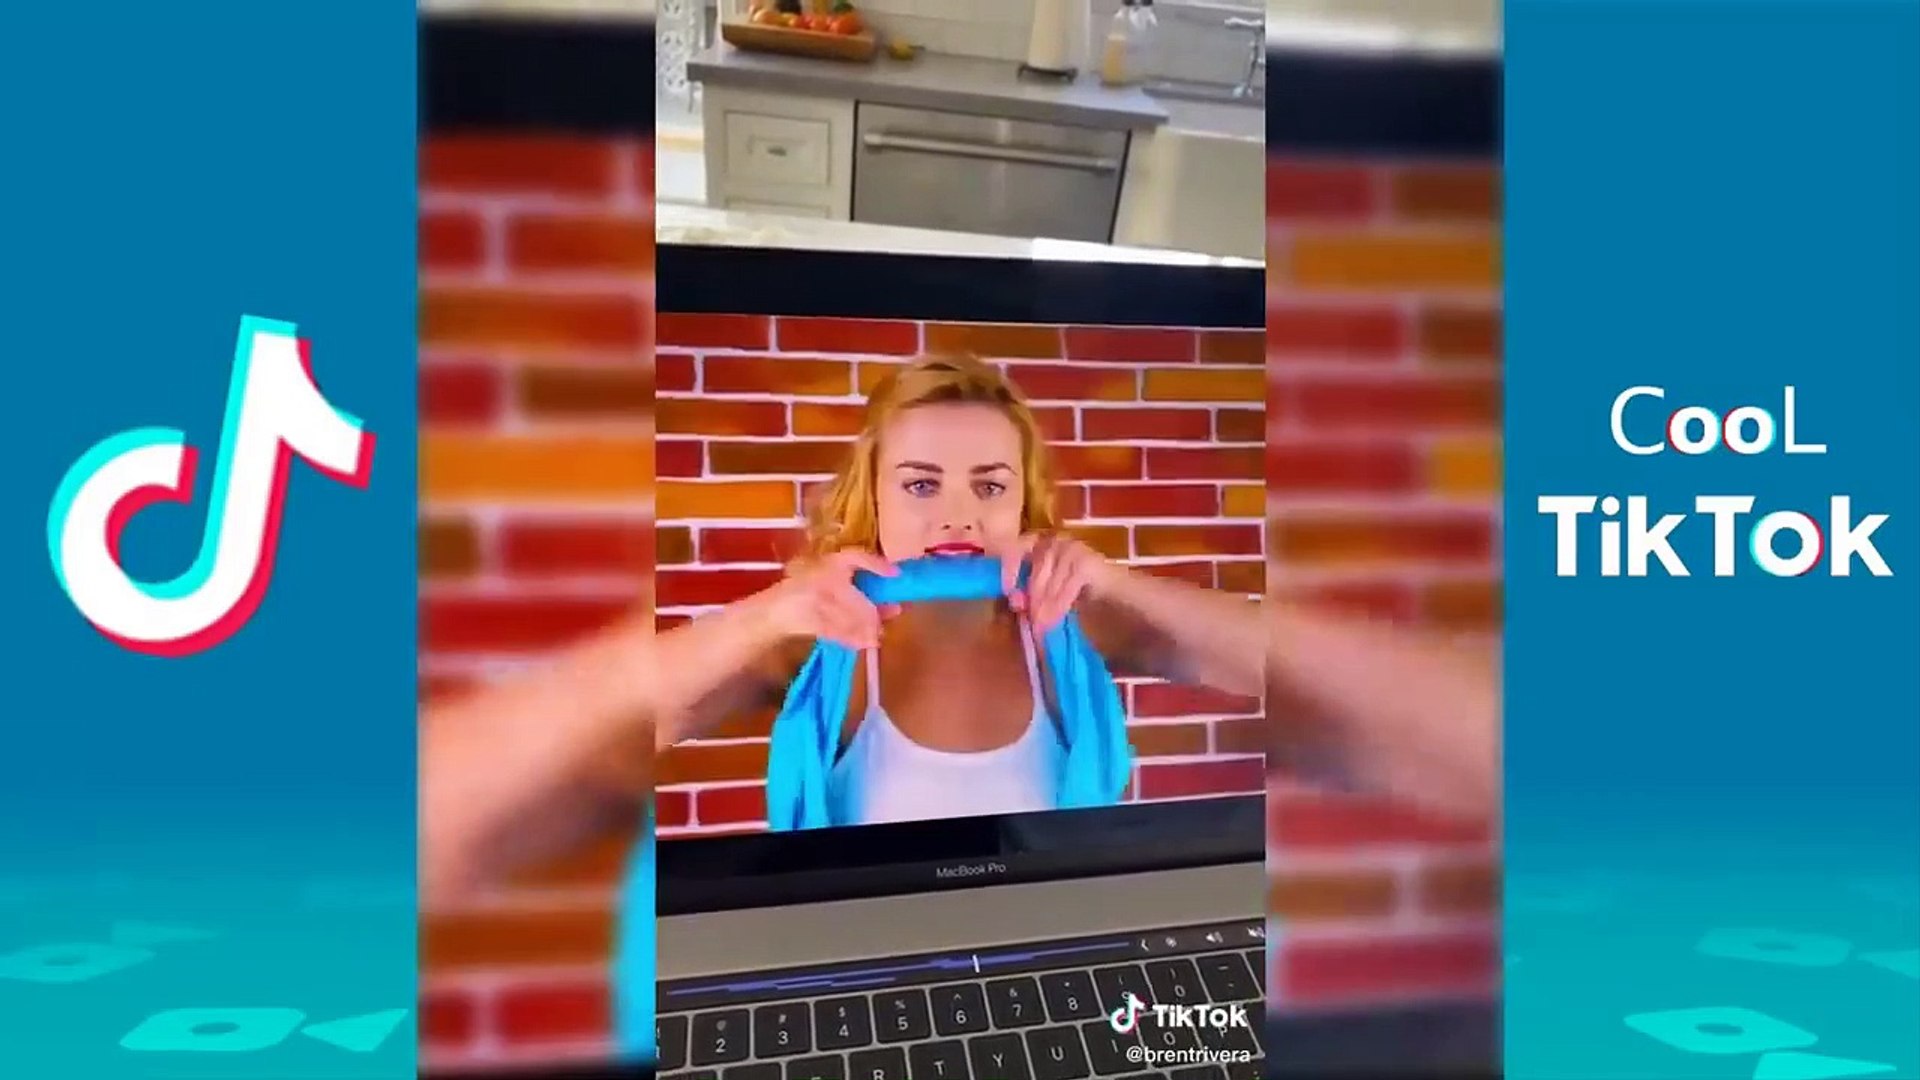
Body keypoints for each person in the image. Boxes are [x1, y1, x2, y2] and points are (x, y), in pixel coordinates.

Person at [419, 358, 1498, 901]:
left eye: (990, 484)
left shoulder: (1071, 629)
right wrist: (766, 613)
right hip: (853, 969)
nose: (956, 515)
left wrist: (1122, 582)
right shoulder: (812, 644)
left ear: (1023, 501)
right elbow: (470, 791)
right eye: (921, 482)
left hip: (1053, 957)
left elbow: (1347, 688)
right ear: (875, 498)